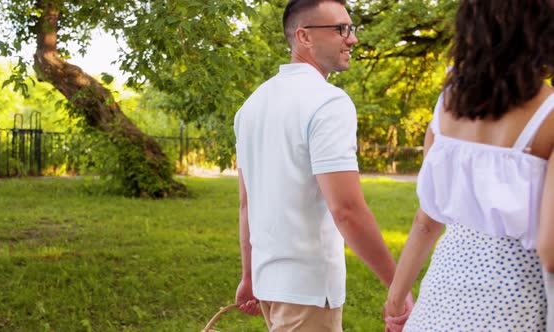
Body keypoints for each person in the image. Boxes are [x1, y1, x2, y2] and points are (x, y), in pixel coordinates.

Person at [233, 0, 407, 330]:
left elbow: (246, 204)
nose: (352, 39)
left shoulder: (252, 105)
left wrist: (250, 275)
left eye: (351, 28)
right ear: (304, 37)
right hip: (308, 290)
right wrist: (399, 287)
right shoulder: (328, 102)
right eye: (340, 29)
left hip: (271, 285)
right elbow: (347, 210)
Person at [384, 0, 554, 331]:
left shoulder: (447, 103)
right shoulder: (549, 114)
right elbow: (549, 249)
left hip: (443, 287)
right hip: (514, 299)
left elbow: (426, 220)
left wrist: (396, 297)